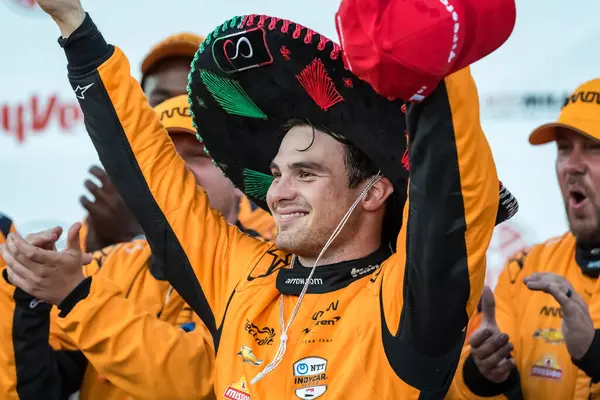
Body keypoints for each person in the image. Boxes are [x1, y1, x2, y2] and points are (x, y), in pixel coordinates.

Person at [5, 2, 517, 399]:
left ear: (374, 190)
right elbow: (150, 173)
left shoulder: (404, 301)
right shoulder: (245, 278)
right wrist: (74, 25)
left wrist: (430, 71)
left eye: (306, 172)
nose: (277, 192)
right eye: (275, 173)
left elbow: (453, 195)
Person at [448, 79, 600, 400]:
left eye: (593, 147)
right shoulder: (527, 270)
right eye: (563, 149)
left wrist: (594, 353)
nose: (572, 165)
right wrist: (482, 375)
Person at [77, 32, 274, 251]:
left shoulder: (270, 207)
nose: (178, 109)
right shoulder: (118, 197)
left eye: (194, 98)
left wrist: (140, 233)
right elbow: (86, 276)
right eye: (163, 100)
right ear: (142, 106)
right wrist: (107, 236)